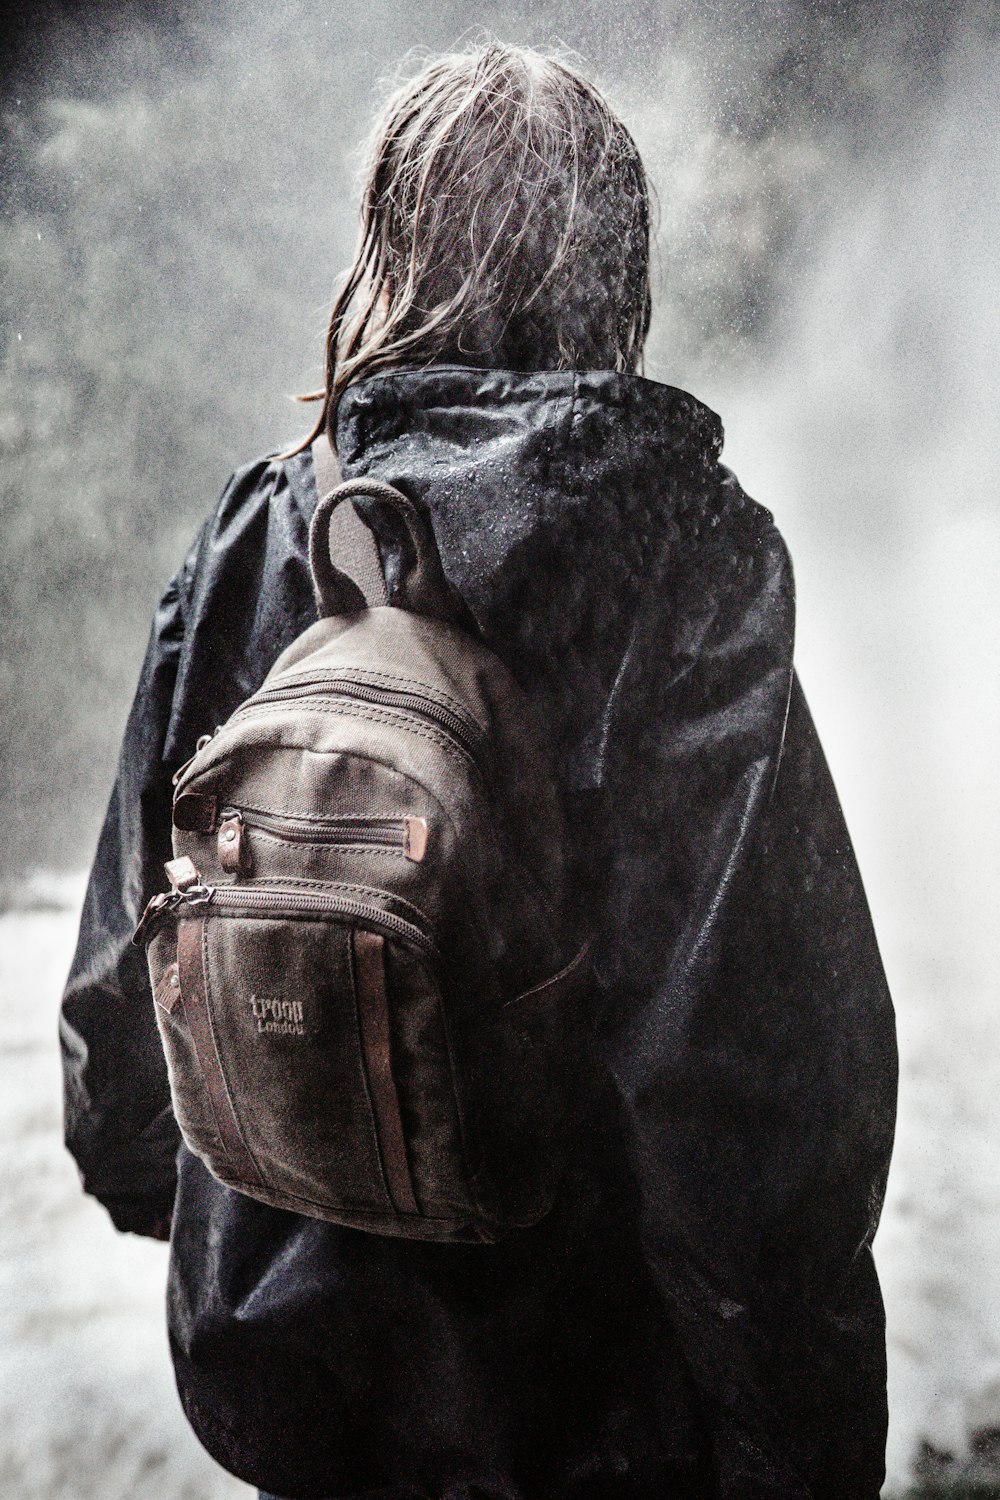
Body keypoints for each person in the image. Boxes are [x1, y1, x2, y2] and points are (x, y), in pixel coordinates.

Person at [60, 40, 897, 1500]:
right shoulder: (677, 552)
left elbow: (120, 1013)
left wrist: (228, 1210)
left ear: (385, 247)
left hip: (301, 1395)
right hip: (601, 1417)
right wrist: (801, 1436)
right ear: (614, 263)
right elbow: (753, 1077)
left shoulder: (262, 531)